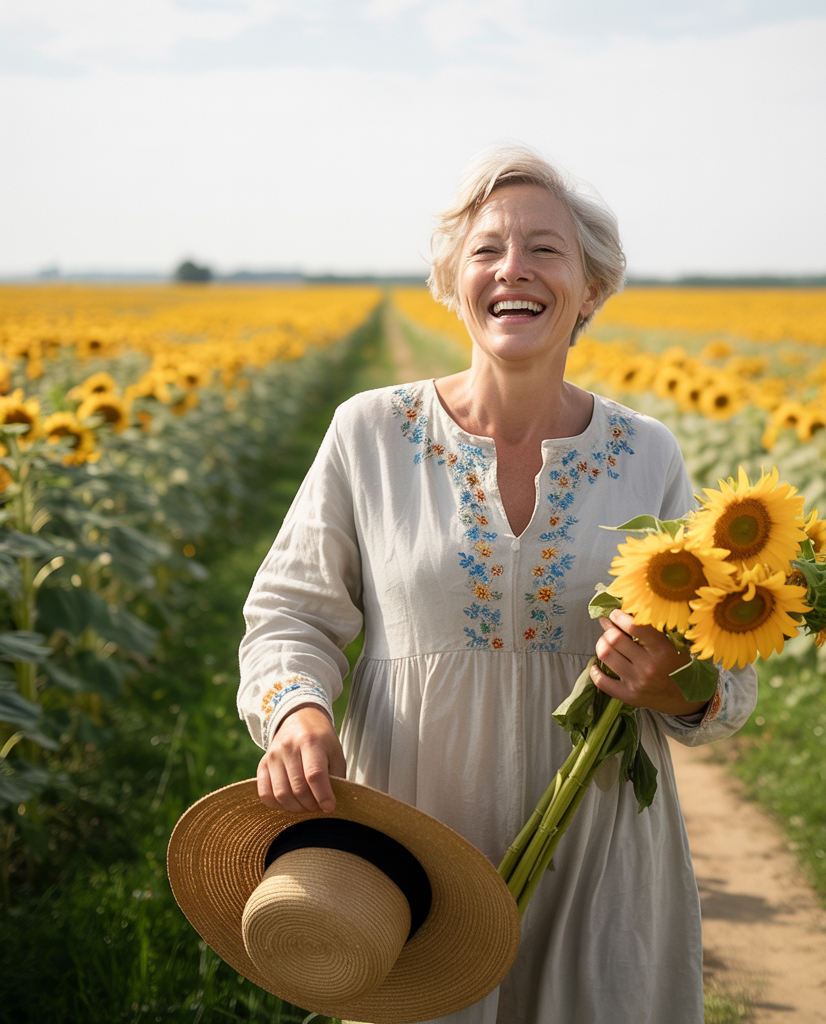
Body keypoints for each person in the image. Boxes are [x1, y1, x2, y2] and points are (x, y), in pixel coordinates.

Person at [236, 146, 757, 1024]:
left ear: (591, 287)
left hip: (598, 847)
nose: (513, 269)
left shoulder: (650, 454)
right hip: (414, 837)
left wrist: (681, 686)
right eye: (487, 250)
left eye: (545, 249)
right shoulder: (369, 432)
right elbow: (291, 612)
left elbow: (726, 668)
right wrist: (297, 710)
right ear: (453, 282)